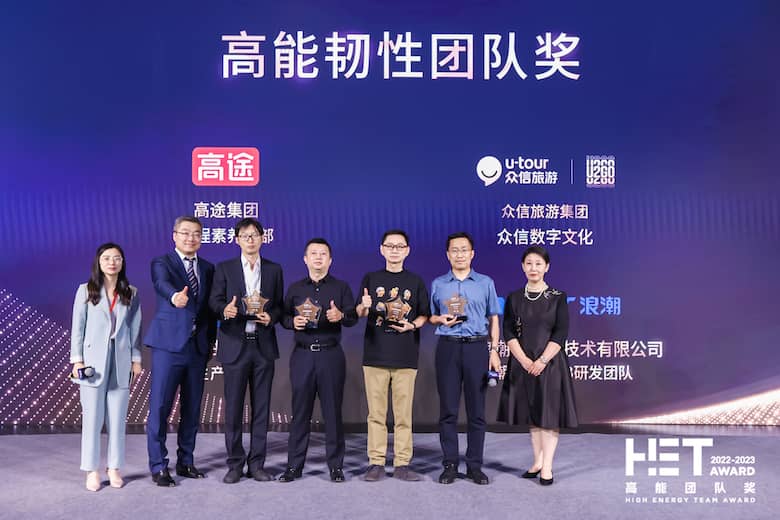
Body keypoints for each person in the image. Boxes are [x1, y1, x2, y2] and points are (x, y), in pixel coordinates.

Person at [209, 218, 284, 484]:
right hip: (235, 345)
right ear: (237, 240)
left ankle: (257, 464)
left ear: (263, 238)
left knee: (261, 409)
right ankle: (234, 464)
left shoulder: (274, 269)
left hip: (263, 346)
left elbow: (280, 306)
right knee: (233, 409)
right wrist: (224, 310)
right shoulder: (224, 268)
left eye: (254, 235)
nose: (250, 239)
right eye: (245, 235)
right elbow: (214, 301)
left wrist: (272, 317)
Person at [278, 238, 358, 483]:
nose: (318, 258)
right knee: (300, 412)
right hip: (302, 354)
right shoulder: (295, 289)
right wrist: (292, 322)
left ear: (330, 260)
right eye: (313, 253)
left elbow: (353, 317)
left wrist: (340, 315)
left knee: (332, 412)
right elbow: (283, 316)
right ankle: (294, 467)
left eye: (323, 254)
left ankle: (336, 466)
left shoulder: (341, 287)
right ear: (305, 259)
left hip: (330, 354)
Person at [498, 246, 578, 486]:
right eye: (529, 263)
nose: (533, 268)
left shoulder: (557, 297)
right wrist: (524, 360)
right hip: (523, 363)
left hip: (550, 364)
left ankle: (547, 467)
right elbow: (508, 331)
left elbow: (561, 332)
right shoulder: (514, 298)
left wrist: (542, 360)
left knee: (549, 415)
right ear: (523, 266)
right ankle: (537, 461)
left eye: (538, 263)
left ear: (547, 267)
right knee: (533, 413)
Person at [144, 216, 216, 487]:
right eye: (185, 233)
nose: (190, 238)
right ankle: (158, 466)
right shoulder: (162, 262)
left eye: (196, 233)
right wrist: (175, 296)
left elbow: (209, 310)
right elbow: (161, 284)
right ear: (174, 235)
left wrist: (210, 342)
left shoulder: (208, 268)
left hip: (197, 348)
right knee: (160, 407)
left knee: (192, 408)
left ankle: (186, 461)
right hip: (168, 346)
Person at [356, 230, 430, 482]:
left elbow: (424, 315)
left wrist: (413, 325)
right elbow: (359, 312)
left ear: (407, 250)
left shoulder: (416, 281)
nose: (395, 250)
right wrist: (364, 306)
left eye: (400, 246)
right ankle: (376, 462)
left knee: (403, 415)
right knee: (376, 415)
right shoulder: (371, 278)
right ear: (382, 249)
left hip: (405, 356)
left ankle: (402, 463)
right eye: (390, 246)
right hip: (375, 355)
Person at [429, 232, 501, 485]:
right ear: (447, 255)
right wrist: (439, 319)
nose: (459, 254)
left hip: (476, 348)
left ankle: (474, 466)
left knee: (477, 411)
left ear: (472, 254)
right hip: (447, 348)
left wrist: (494, 350)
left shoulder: (485, 283)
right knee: (448, 410)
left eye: (464, 250)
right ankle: (449, 464)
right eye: (454, 250)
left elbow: (494, 317)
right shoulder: (438, 284)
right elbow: (430, 316)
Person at [70, 243, 142, 491]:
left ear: (122, 263)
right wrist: (77, 360)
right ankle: (92, 470)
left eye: (117, 258)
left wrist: (136, 359)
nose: (112, 262)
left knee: (118, 419)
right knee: (92, 418)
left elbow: (135, 329)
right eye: (107, 258)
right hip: (92, 363)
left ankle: (114, 468)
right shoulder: (86, 290)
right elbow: (77, 328)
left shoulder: (131, 292)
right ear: (99, 263)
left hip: (121, 360)